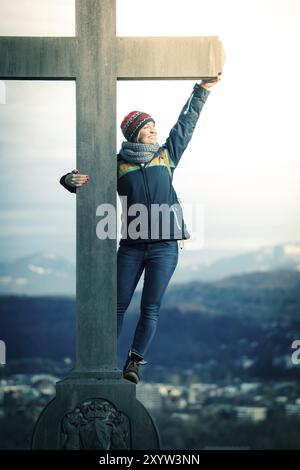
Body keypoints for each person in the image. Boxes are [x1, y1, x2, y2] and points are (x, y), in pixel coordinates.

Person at [60, 77, 221, 384]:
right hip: (132, 247)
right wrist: (69, 180)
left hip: (165, 247)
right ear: (134, 133)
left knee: (151, 307)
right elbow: (83, 177)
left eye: (154, 126)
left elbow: (185, 125)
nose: (154, 131)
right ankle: (102, 361)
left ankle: (133, 363)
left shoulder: (166, 155)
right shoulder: (117, 165)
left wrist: (201, 91)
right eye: (148, 127)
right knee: (117, 305)